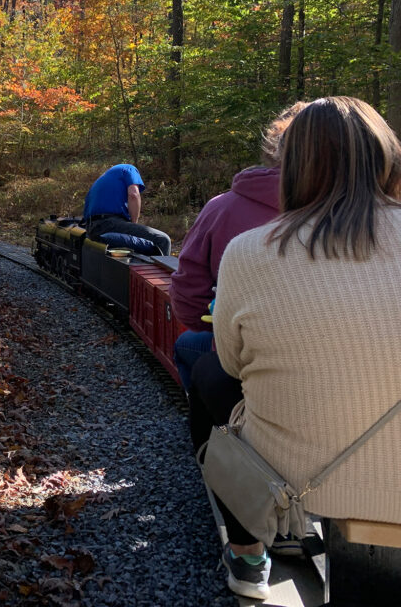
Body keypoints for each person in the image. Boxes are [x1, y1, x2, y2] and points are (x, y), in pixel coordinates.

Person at [196, 97, 401, 601]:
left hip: (302, 480)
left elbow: (231, 362)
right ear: (386, 158)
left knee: (206, 374)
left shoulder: (249, 251)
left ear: (292, 167)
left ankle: (248, 554)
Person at [170, 102, 307, 393]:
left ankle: (211, 435)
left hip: (246, 356)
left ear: (274, 147)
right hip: (346, 365)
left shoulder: (221, 209)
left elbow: (186, 298)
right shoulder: (360, 213)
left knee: (186, 347)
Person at [81, 163, 171, 255]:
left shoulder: (102, 180)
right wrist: (134, 223)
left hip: (92, 229)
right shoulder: (129, 169)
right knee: (162, 239)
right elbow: (133, 194)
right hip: (108, 224)